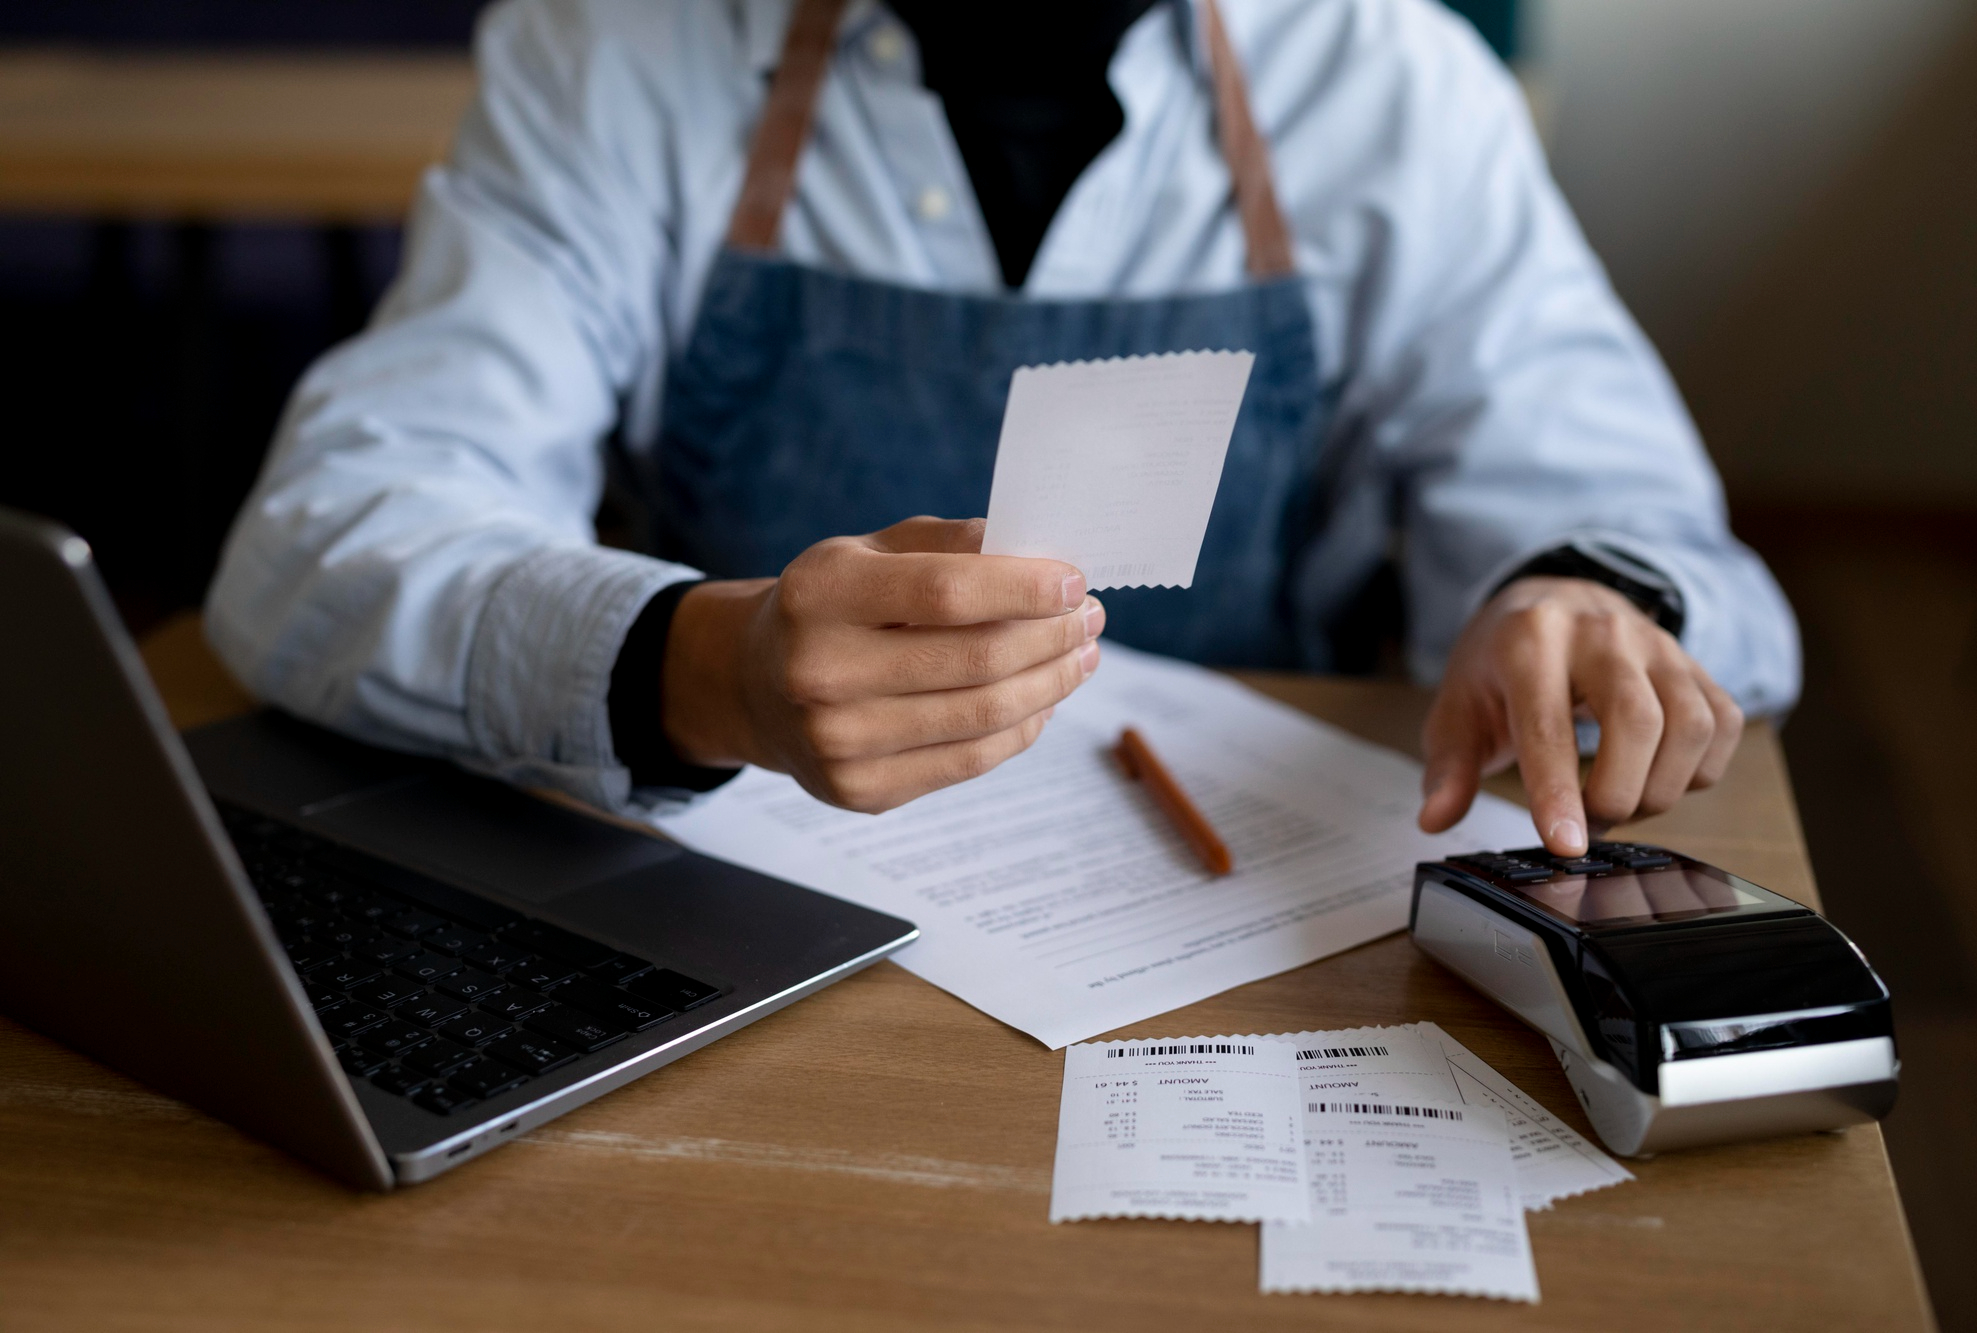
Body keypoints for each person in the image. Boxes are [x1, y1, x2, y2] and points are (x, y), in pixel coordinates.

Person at [206, 0, 1798, 858]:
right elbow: (317, 541)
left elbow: (1643, 520)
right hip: (722, 930)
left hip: (1235, 935)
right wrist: (701, 666)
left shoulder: (1392, 82)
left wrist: (1587, 598)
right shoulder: (613, 51)